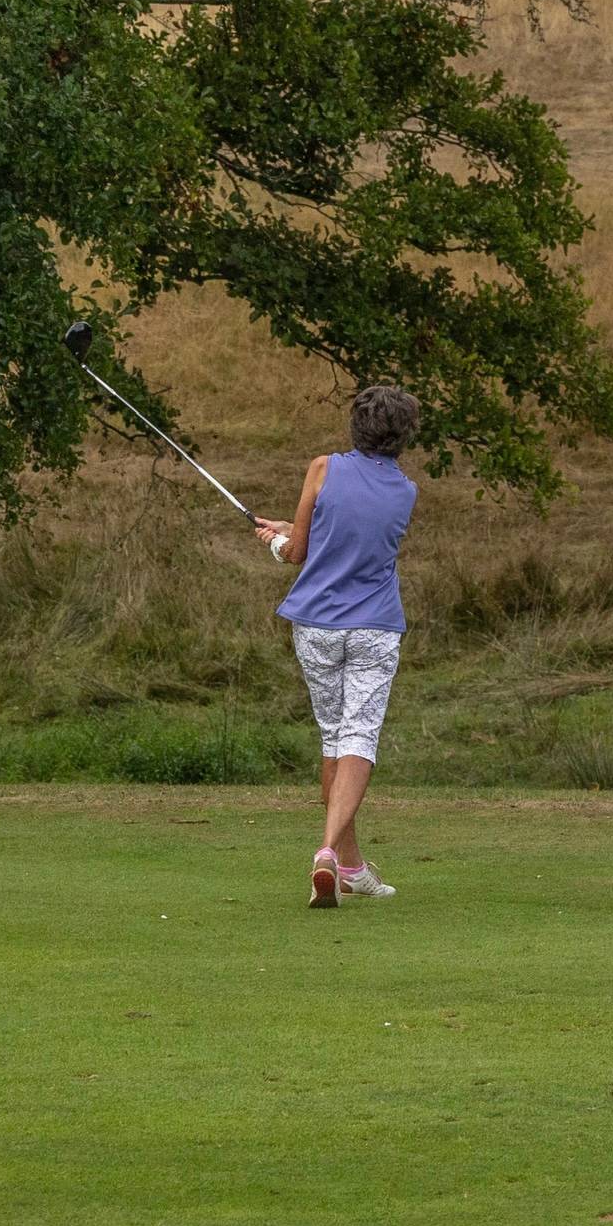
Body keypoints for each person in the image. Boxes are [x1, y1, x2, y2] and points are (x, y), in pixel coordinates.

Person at [254, 386, 420, 909]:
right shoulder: (406, 491)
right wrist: (295, 531)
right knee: (359, 739)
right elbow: (351, 537)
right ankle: (329, 853)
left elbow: (299, 552)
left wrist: (277, 540)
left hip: (317, 627)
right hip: (374, 627)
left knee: (334, 739)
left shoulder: (322, 468)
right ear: (403, 437)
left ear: (357, 426)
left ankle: (350, 867)